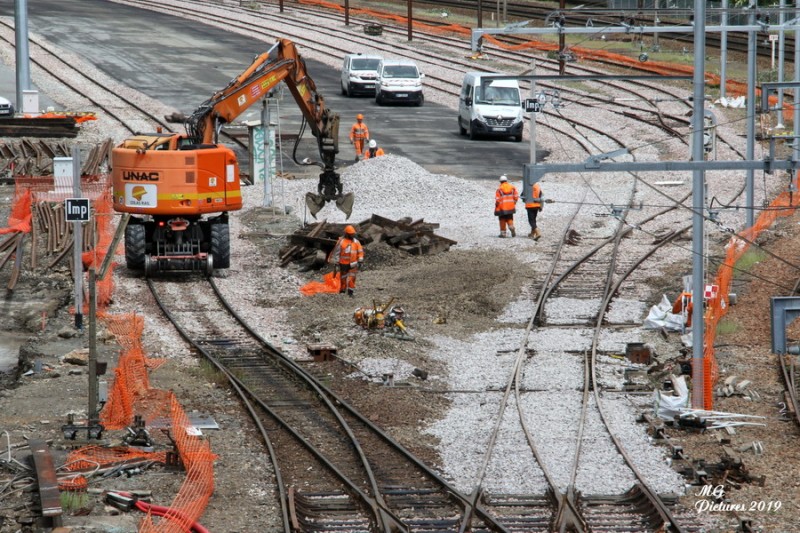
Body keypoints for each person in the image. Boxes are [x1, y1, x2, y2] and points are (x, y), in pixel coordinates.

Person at [329, 225, 364, 297]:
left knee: (352, 278)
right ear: (347, 234)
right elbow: (336, 252)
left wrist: (360, 260)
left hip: (353, 264)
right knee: (343, 277)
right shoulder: (341, 242)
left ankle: (350, 291)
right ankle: (342, 290)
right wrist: (335, 262)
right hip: (343, 263)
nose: (352, 235)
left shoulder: (356, 242)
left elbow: (360, 251)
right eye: (351, 234)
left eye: (353, 234)